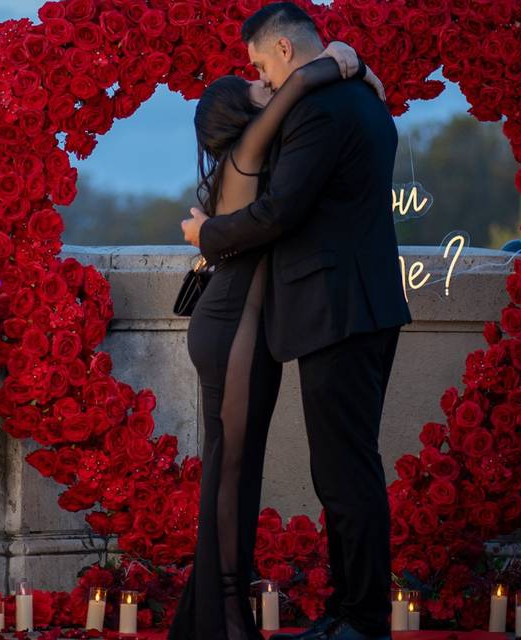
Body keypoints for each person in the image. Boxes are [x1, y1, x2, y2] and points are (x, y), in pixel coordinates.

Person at [180, 4, 412, 640]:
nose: (264, 79)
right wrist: (351, 62)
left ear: (283, 49)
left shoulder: (318, 107)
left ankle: (360, 619)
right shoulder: (366, 101)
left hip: (336, 308)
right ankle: (350, 613)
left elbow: (282, 210)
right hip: (360, 302)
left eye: (260, 66)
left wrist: (207, 235)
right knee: (345, 468)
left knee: (344, 473)